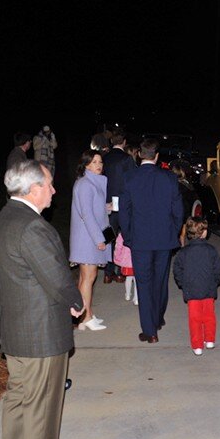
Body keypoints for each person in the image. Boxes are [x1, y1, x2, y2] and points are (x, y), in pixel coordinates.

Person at [0, 159, 84, 439]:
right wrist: (76, 301)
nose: (54, 191)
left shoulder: (2, 220)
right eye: (49, 185)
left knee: (18, 407)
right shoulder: (32, 227)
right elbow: (57, 277)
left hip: (15, 334)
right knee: (41, 414)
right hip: (41, 337)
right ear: (33, 189)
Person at [119, 138, 183, 344]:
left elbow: (124, 211)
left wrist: (128, 236)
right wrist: (173, 232)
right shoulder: (169, 178)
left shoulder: (130, 177)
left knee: (144, 283)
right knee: (160, 280)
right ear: (156, 156)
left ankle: (150, 330)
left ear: (139, 155)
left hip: (140, 240)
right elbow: (178, 211)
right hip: (164, 239)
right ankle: (157, 318)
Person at [69, 150, 112, 331]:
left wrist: (106, 208)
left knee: (85, 277)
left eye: (100, 162)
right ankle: (86, 317)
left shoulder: (91, 182)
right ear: (86, 164)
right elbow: (86, 214)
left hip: (88, 235)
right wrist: (98, 239)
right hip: (87, 237)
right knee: (89, 277)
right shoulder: (85, 184)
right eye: (94, 162)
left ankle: (84, 315)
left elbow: (92, 208)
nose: (99, 165)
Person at [172, 216, 220, 356]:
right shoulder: (211, 250)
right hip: (209, 289)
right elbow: (218, 269)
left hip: (192, 291)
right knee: (209, 316)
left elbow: (177, 270)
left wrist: (183, 284)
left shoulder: (183, 252)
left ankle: (197, 345)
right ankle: (210, 339)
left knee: (194, 319)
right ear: (204, 233)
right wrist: (215, 282)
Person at [102, 129, 137, 284]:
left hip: (107, 203)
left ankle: (107, 272)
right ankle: (120, 271)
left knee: (109, 236)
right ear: (124, 142)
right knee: (123, 237)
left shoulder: (104, 158)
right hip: (123, 203)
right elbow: (133, 181)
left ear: (111, 141)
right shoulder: (127, 159)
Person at [113, 232, 138, 305]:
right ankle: (136, 298)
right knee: (137, 280)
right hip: (137, 260)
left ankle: (127, 294)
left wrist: (117, 257)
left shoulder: (123, 234)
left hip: (126, 261)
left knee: (128, 278)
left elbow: (118, 247)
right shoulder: (138, 232)